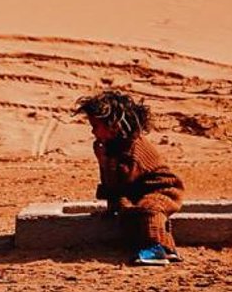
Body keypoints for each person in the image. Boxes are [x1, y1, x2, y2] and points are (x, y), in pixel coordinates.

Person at [75, 90, 185, 266]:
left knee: (149, 210)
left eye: (96, 126)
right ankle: (151, 245)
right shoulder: (113, 147)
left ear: (113, 126)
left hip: (163, 189)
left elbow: (121, 181)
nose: (92, 131)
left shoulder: (134, 149)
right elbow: (112, 183)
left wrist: (106, 163)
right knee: (127, 211)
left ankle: (160, 248)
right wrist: (103, 162)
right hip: (137, 190)